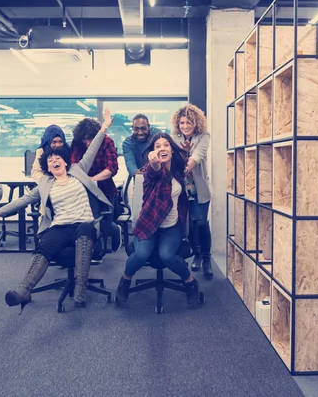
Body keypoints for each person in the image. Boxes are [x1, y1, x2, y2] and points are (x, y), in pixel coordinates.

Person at [0, 110, 113, 311]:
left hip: (84, 223)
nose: (54, 161)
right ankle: (23, 290)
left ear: (65, 161)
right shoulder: (46, 183)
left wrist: (105, 126)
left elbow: (93, 148)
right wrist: (0, 212)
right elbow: (24, 199)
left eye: (57, 158)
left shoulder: (79, 170)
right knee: (45, 243)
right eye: (49, 160)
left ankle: (80, 291)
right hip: (60, 226)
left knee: (85, 230)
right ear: (48, 166)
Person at [115, 133, 201, 306]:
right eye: (157, 146)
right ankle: (125, 280)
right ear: (152, 151)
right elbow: (154, 169)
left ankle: (191, 282)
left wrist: (187, 152)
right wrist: (153, 161)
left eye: (166, 145)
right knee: (140, 254)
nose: (162, 148)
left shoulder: (178, 172)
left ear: (171, 149)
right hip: (149, 225)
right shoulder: (150, 172)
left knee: (167, 255)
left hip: (172, 227)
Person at [171, 104, 213, 280]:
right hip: (180, 188)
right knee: (190, 224)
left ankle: (207, 258)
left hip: (198, 188)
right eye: (182, 123)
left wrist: (185, 165)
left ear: (196, 123)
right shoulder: (174, 137)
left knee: (201, 222)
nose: (185, 126)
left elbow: (198, 156)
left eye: (189, 122)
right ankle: (196, 254)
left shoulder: (203, 136)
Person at [70, 117, 121, 251]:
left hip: (105, 189)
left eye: (90, 138)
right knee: (88, 222)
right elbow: (74, 165)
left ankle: (116, 230)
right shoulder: (77, 143)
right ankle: (94, 252)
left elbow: (112, 168)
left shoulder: (107, 142)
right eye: (84, 139)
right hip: (82, 190)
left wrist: (92, 180)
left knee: (105, 225)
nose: (87, 143)